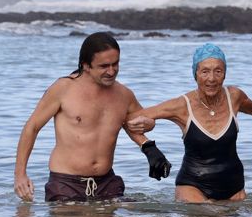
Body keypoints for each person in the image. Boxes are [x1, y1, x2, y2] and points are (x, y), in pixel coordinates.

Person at [14, 31, 171, 202]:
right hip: (66, 183)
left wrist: (150, 148)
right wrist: (20, 174)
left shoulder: (124, 94)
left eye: (115, 64)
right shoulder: (63, 89)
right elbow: (32, 127)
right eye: (104, 66)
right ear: (86, 65)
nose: (111, 71)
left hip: (107, 183)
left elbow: (137, 124)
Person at [126, 43, 252, 203]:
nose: (211, 78)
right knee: (206, 213)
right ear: (195, 74)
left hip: (234, 187)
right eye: (205, 71)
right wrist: (148, 143)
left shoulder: (234, 96)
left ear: (225, 74)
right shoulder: (182, 105)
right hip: (193, 186)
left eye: (218, 71)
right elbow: (129, 119)